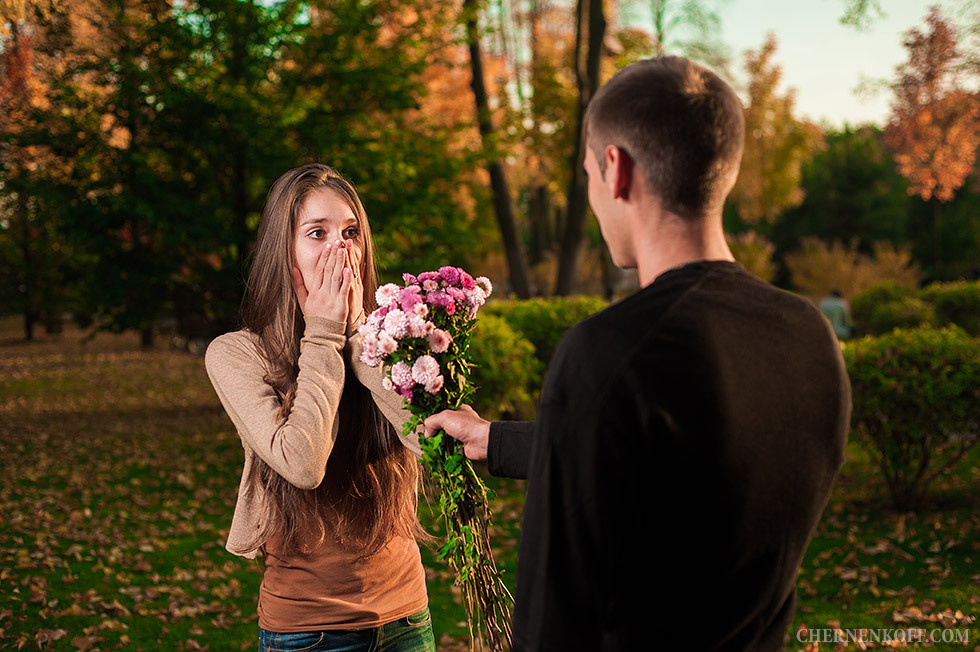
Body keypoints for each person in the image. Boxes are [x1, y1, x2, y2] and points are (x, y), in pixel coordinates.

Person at [425, 57, 851, 651]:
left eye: (588, 176)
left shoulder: (607, 352)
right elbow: (684, 458)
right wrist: (493, 440)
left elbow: (552, 624)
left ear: (616, 169)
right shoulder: (807, 335)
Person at [205, 164, 435, 652]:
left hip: (406, 616)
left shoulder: (390, 340)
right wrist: (325, 335)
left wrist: (357, 335)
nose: (340, 248)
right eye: (317, 233)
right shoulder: (237, 354)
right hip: (310, 630)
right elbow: (302, 464)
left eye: (351, 232)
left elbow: (431, 440)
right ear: (283, 251)